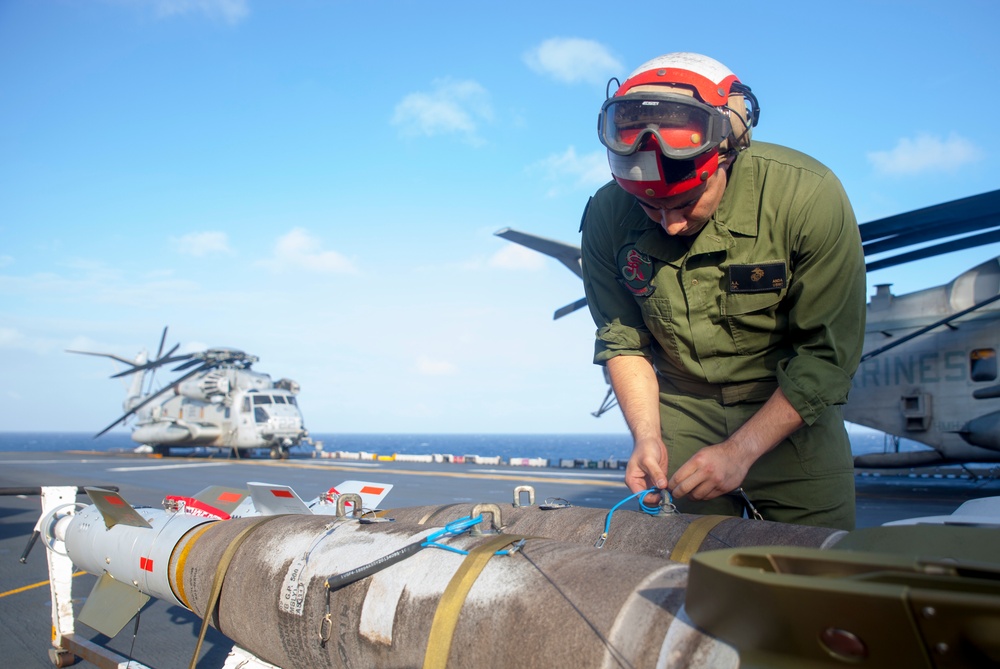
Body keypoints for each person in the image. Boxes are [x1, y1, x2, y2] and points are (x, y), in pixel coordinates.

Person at [580, 52, 865, 530]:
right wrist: (647, 437)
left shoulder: (807, 197)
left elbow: (825, 357)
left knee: (820, 578)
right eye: (650, 208)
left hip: (791, 415)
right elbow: (624, 341)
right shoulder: (607, 216)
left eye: (686, 202)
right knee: (685, 579)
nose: (669, 225)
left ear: (726, 157)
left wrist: (741, 450)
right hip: (681, 420)